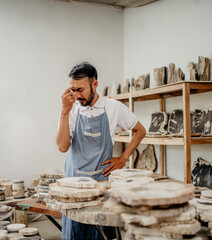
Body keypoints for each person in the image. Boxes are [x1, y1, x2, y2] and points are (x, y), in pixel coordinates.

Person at [56, 62, 146, 240]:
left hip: (101, 184)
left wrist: (123, 158)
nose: (76, 95)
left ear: (94, 84)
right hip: (75, 186)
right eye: (73, 89)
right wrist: (64, 112)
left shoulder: (113, 107)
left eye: (80, 89)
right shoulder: (71, 109)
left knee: (102, 234)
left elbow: (140, 131)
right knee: (76, 233)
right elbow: (62, 147)